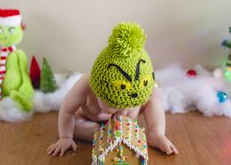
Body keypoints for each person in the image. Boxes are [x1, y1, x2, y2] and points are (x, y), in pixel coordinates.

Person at [47, 22, 178, 157]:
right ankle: (102, 135)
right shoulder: (85, 86)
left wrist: (141, 110)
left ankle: (156, 134)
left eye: (129, 107)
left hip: (125, 127)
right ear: (96, 89)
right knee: (74, 126)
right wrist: (65, 137)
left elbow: (147, 94)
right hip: (91, 121)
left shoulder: (137, 90)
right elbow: (67, 111)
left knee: (155, 95)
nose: (122, 113)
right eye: (113, 105)